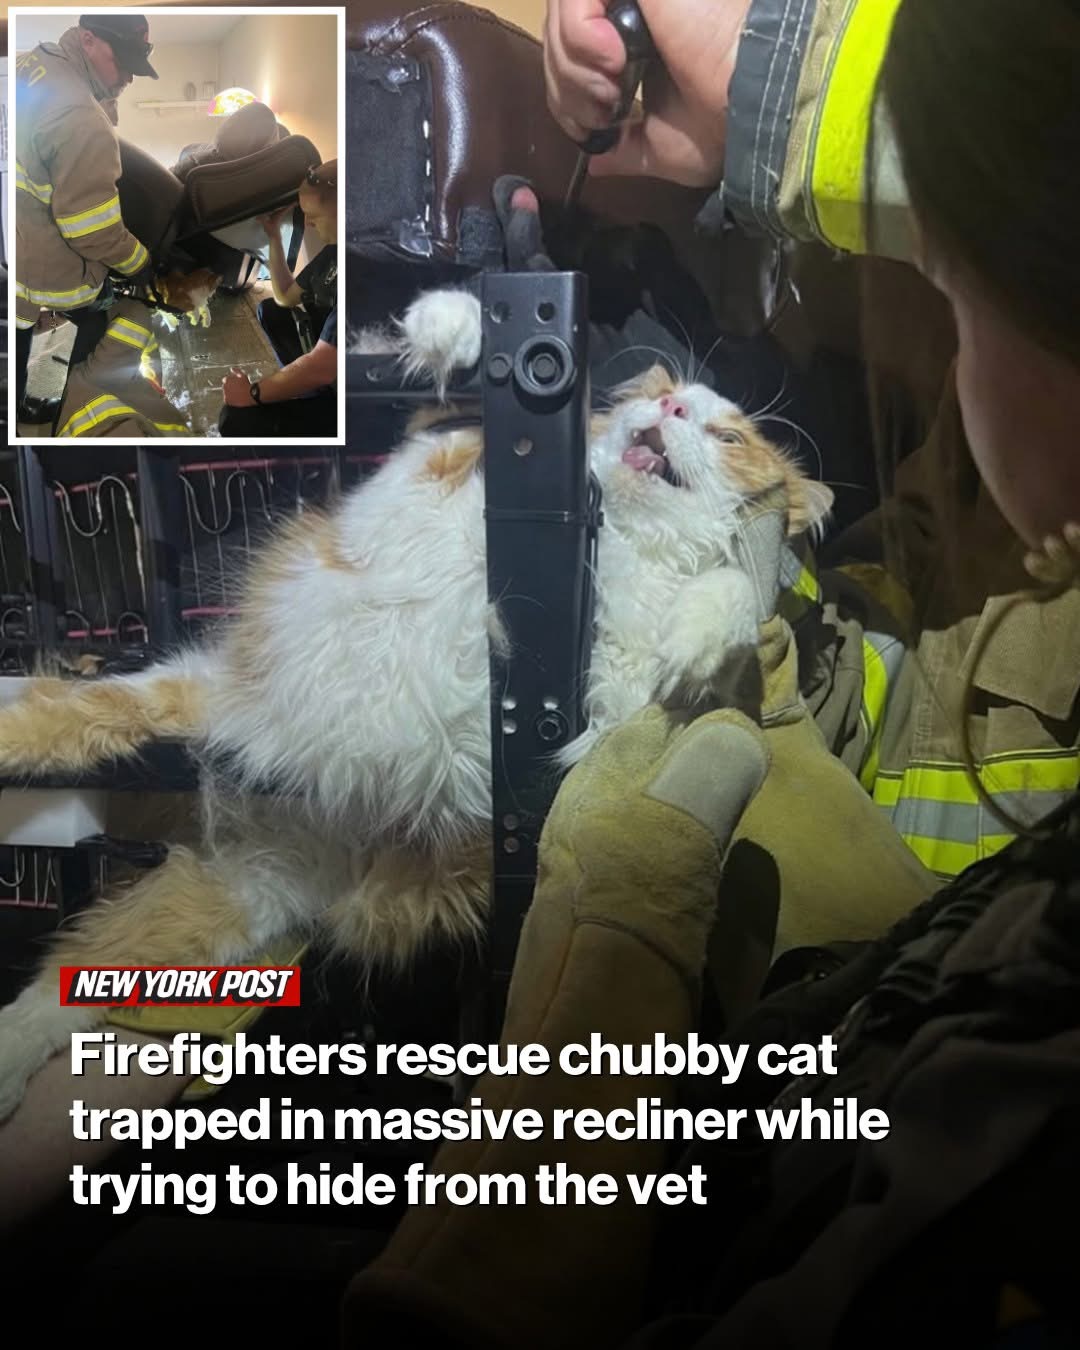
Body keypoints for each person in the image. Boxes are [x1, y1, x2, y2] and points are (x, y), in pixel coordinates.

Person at [336, 0, 1080, 1344]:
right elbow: (903, 582)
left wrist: (775, 84)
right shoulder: (965, 500)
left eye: (961, 301)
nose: (949, 352)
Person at [14, 13, 158, 427]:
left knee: (27, 369)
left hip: (24, 262)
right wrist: (139, 262)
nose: (129, 77)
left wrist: (105, 96)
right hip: (53, 296)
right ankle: (41, 425)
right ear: (88, 39)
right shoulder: (80, 116)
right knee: (45, 391)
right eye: (123, 62)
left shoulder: (36, 63)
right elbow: (91, 229)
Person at [218, 160, 339, 439]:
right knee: (273, 311)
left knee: (236, 420)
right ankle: (305, 388)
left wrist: (252, 393)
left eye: (314, 215)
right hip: (332, 370)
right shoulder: (333, 256)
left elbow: (323, 365)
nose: (307, 223)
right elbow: (285, 296)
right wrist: (274, 238)